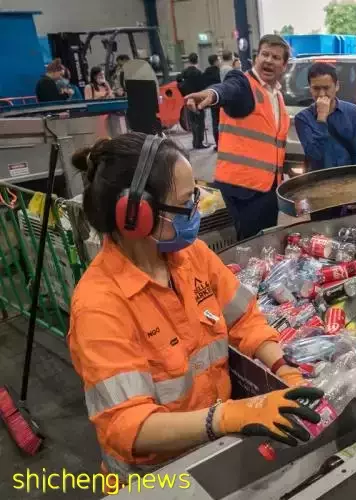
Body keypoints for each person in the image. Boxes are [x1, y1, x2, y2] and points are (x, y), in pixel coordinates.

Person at [67, 132, 322, 483]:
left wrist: (283, 367)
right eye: (187, 202)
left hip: (214, 449)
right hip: (156, 478)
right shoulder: (100, 306)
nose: (196, 210)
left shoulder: (193, 257)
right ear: (136, 215)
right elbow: (128, 427)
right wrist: (227, 416)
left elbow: (245, 318)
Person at [183, 35, 292, 240]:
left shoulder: (275, 95)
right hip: (244, 189)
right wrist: (213, 94)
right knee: (251, 245)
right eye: (264, 54)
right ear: (256, 58)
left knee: (266, 242)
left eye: (276, 57)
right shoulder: (243, 83)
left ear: (284, 65)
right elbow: (228, 89)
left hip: (267, 187)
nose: (268, 60)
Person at [294, 62, 356, 170]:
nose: (322, 94)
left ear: (336, 86)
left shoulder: (353, 113)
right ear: (310, 88)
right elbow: (314, 156)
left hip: (347, 177)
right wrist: (321, 118)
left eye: (326, 88)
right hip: (319, 180)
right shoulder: (303, 118)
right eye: (316, 89)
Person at [178, 53, 210, 150]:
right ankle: (199, 142)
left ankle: (194, 141)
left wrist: (184, 94)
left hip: (188, 100)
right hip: (197, 100)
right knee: (200, 121)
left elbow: (179, 84)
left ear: (189, 60)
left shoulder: (183, 73)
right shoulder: (198, 73)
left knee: (192, 122)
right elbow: (203, 87)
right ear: (197, 60)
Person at [204, 54, 222, 148]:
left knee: (214, 121)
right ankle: (222, 142)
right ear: (215, 61)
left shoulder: (206, 72)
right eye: (218, 60)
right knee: (222, 121)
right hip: (219, 98)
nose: (220, 61)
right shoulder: (219, 72)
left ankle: (217, 143)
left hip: (211, 99)